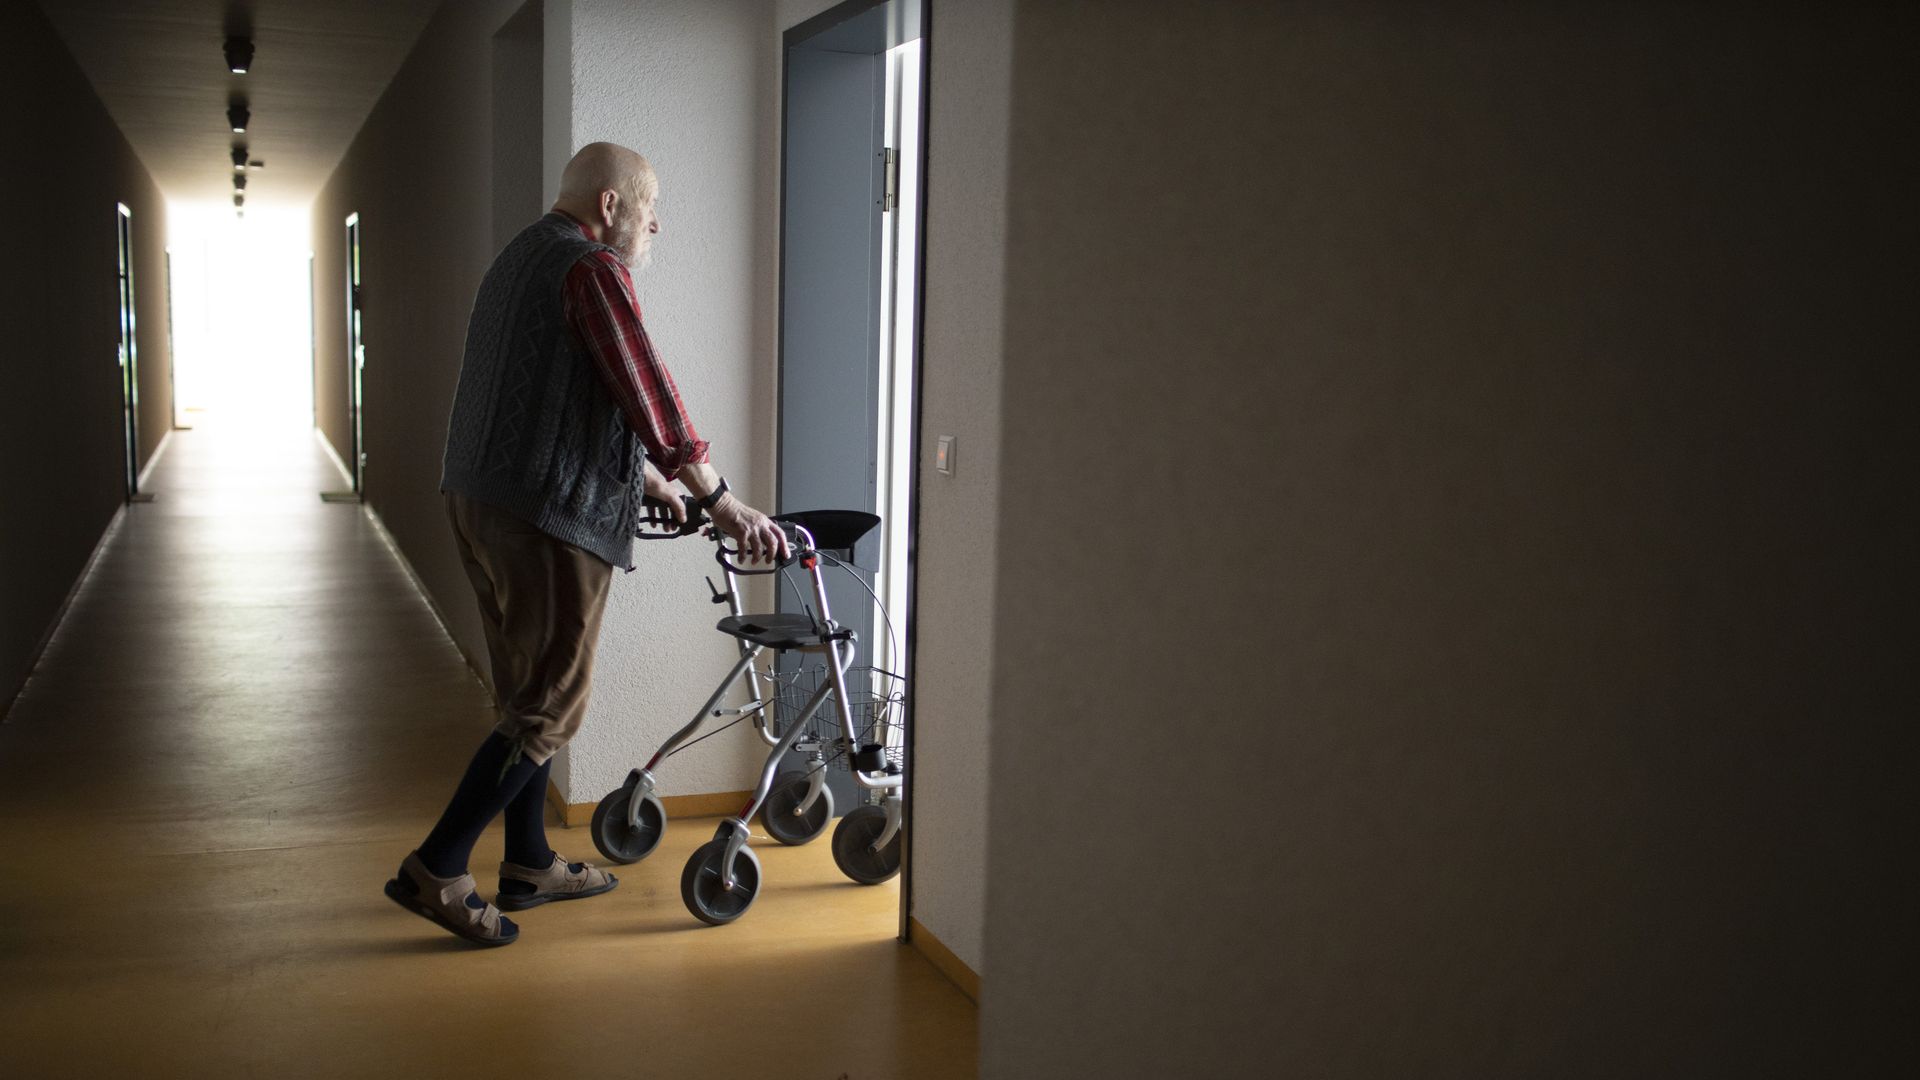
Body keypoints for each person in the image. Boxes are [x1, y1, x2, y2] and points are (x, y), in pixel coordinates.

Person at [383, 142, 789, 946]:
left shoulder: (518, 259)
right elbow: (648, 392)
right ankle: (438, 866)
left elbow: (557, 391)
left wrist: (648, 482)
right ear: (610, 205)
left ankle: (529, 863)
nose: (655, 224)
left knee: (524, 695)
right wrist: (721, 500)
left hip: (481, 499)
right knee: (551, 704)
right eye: (650, 206)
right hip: (543, 518)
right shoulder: (592, 267)